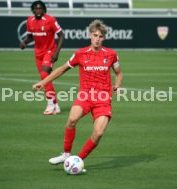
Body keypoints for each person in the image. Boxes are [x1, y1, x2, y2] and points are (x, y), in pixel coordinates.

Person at [32, 20, 123, 165]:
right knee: (72, 119)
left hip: (103, 99)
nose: (97, 39)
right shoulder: (80, 54)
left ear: (104, 38)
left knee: (98, 133)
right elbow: (62, 69)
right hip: (85, 95)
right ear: (90, 36)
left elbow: (118, 73)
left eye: (100, 36)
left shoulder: (111, 54)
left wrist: (117, 85)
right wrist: (43, 83)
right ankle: (66, 154)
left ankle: (77, 160)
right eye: (95, 35)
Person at [20, 0, 64, 115]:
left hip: (49, 51)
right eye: (36, 8)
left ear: (44, 10)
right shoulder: (29, 21)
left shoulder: (50, 20)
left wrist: (56, 53)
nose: (38, 10)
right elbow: (30, 36)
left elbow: (61, 35)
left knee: (44, 75)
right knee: (44, 77)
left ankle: (50, 104)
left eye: (40, 8)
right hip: (38, 53)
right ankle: (55, 105)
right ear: (33, 10)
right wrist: (25, 42)